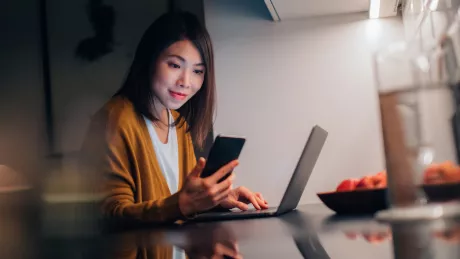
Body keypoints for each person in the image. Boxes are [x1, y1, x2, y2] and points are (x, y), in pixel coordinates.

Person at [79, 11, 268, 226]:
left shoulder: (178, 125)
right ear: (149, 60)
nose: (186, 82)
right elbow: (109, 215)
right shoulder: (114, 120)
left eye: (198, 71)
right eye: (175, 65)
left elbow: (176, 202)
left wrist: (214, 201)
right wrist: (184, 205)